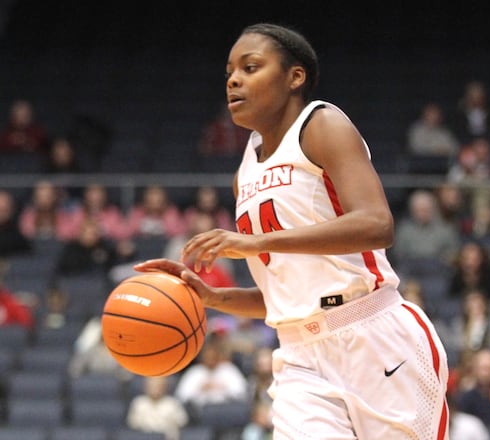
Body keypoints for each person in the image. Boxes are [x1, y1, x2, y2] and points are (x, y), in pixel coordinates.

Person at [134, 23, 449, 439]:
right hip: (298, 353)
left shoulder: (322, 125)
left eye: (250, 67)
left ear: (294, 77)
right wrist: (213, 298)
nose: (233, 79)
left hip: (373, 337)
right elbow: (282, 297)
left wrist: (257, 241)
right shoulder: (244, 171)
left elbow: (377, 224)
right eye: (229, 71)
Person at [126, 376, 189, 440]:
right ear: (145, 386)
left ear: (164, 387)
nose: (155, 389)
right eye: (152, 386)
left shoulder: (173, 403)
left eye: (158, 386)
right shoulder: (138, 403)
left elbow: (182, 422)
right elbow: (133, 424)